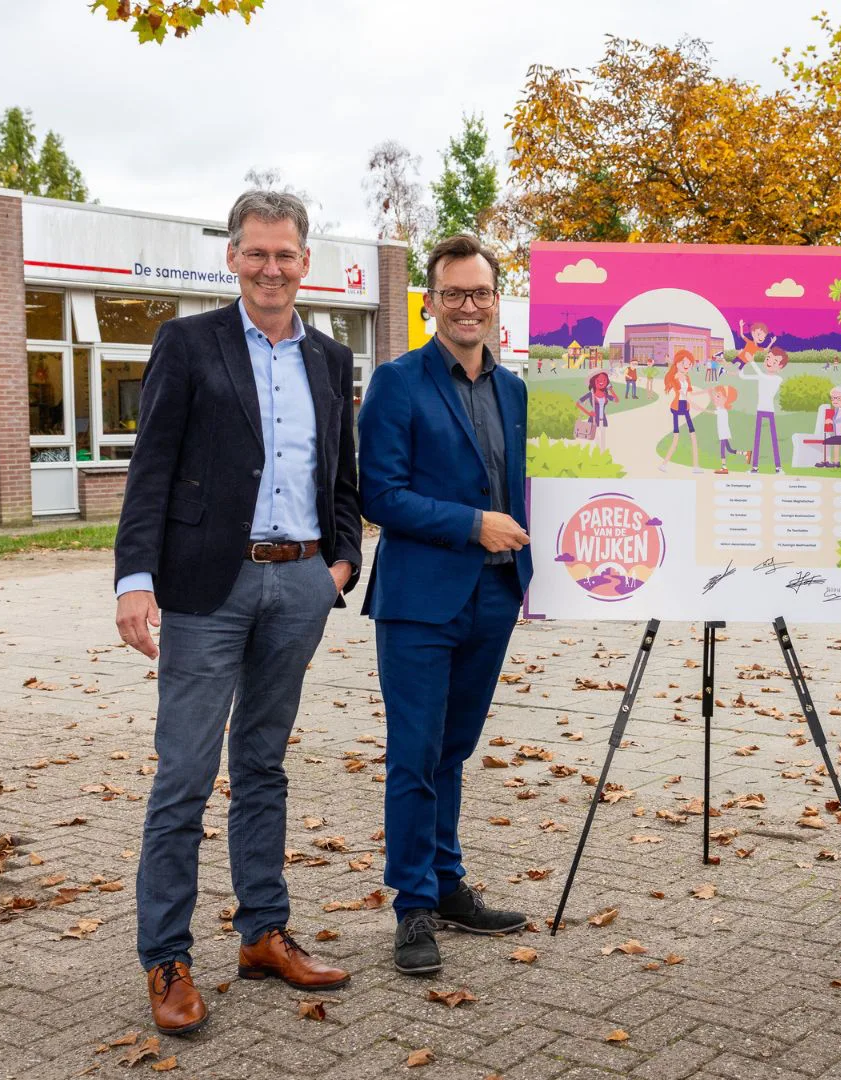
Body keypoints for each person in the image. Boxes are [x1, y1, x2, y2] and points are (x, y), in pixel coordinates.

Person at [114, 189, 361, 1036]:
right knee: (184, 773)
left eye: (285, 254)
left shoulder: (329, 360)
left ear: (305, 261)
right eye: (256, 253)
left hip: (298, 587)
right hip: (204, 590)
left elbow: (342, 475)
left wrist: (339, 565)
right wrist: (132, 578)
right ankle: (167, 959)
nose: (271, 268)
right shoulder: (188, 345)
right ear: (232, 257)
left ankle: (263, 933)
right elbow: (151, 468)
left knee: (262, 764)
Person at [357, 234, 534, 977]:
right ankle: (411, 907)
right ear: (430, 304)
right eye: (455, 294)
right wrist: (471, 524)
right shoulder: (398, 383)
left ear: (497, 302)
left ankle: (448, 882)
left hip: (494, 594)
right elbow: (379, 496)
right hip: (420, 602)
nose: (469, 307)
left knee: (454, 750)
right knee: (415, 756)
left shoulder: (516, 388)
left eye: (481, 293)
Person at [737, 345, 788, 473]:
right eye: (768, 358)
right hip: (760, 410)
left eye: (774, 361)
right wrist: (743, 362)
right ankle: (754, 467)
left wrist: (752, 361)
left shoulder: (777, 378)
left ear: (780, 367)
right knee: (757, 439)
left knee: (773, 439)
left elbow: (761, 375)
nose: (769, 362)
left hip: (769, 411)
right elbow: (743, 376)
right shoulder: (762, 376)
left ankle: (778, 467)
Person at [656, 349, 703, 473]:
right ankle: (664, 464)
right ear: (677, 363)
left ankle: (696, 466)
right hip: (677, 407)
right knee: (676, 438)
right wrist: (694, 404)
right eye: (684, 363)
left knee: (693, 436)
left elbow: (690, 392)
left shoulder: (687, 378)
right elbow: (682, 393)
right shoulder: (675, 377)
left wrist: (706, 391)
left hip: (685, 407)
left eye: (689, 363)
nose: (687, 366)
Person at [576, 370, 618, 442]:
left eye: (604, 380)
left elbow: (616, 400)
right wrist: (588, 413)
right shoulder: (590, 394)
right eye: (598, 380)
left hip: (603, 420)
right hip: (593, 420)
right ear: (593, 382)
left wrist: (611, 389)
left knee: (603, 440)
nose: (602, 382)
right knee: (595, 440)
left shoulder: (605, 394)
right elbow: (577, 403)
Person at [710, 384, 739, 473]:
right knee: (729, 449)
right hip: (723, 433)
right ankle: (746, 453)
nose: (716, 398)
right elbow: (715, 402)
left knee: (722, 449)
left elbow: (712, 410)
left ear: (725, 399)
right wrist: (711, 393)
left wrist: (701, 408)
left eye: (719, 396)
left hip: (723, 433)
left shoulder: (722, 411)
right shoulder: (720, 408)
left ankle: (724, 468)